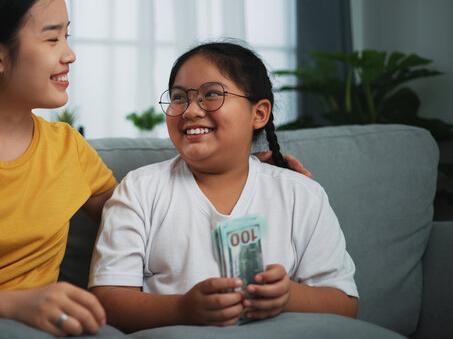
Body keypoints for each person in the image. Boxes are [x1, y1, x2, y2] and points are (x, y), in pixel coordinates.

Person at [0, 0, 310, 337]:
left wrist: (247, 167)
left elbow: (152, 214)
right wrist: (18, 302)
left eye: (68, 35)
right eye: (52, 37)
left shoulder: (68, 148)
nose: (69, 53)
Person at [88, 42, 358, 333]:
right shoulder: (140, 190)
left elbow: (344, 304)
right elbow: (106, 301)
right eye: (179, 97)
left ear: (259, 113)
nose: (191, 110)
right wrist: (182, 309)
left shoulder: (300, 195)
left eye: (212, 94)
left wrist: (290, 296)